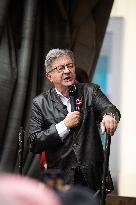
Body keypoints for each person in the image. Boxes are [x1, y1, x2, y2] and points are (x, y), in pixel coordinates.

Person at [28, 48, 121, 192]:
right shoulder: (40, 103)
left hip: (90, 175)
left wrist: (109, 116)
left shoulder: (90, 91)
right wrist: (64, 125)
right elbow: (34, 142)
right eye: (61, 68)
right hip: (57, 178)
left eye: (70, 66)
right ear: (49, 76)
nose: (67, 71)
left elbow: (109, 108)